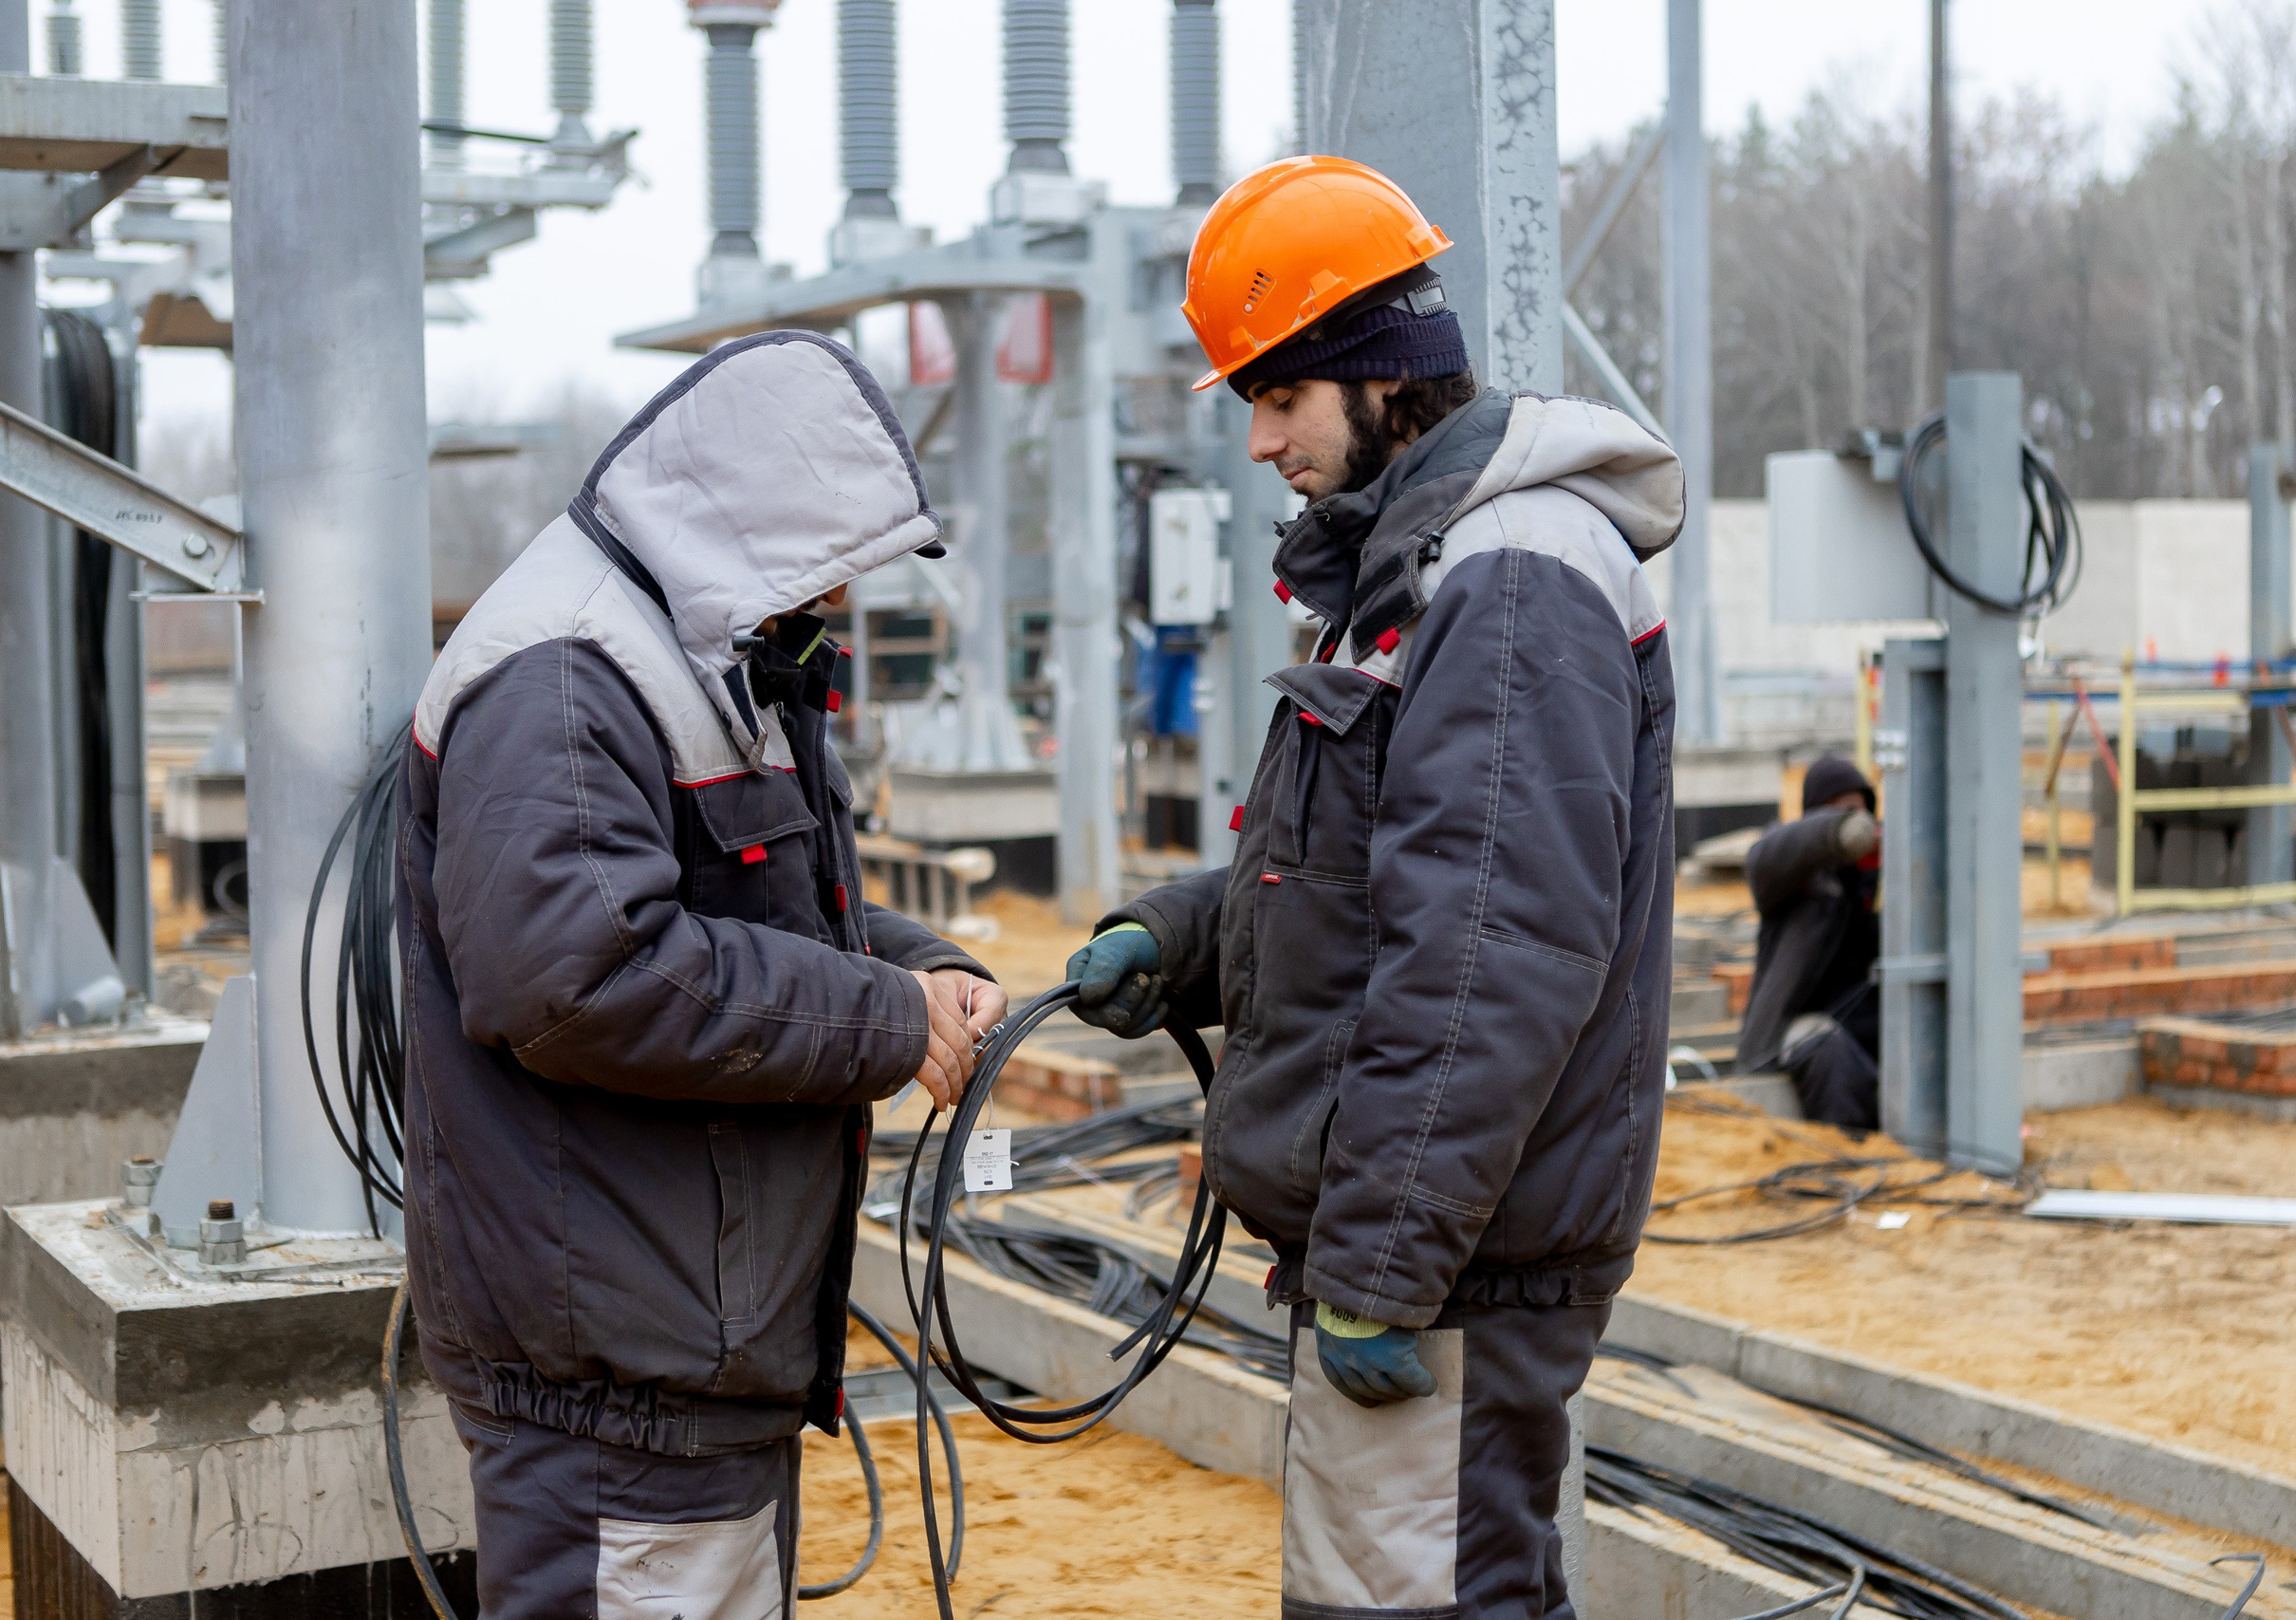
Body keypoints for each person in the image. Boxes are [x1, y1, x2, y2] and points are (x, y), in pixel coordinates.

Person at [1064, 157, 1683, 1620]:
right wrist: (1188, 930)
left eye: (1280, 395)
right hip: (1434, 1244)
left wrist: (1382, 1266)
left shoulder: (1510, 572)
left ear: (1375, 371)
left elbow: (1491, 952)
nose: (1264, 438)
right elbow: (1368, 874)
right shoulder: (1421, 572)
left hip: (1450, 1263)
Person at [397, 331, 1007, 1619]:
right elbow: (578, 975)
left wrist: (924, 969)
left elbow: (756, 904)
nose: (837, 601)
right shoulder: (565, 674)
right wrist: (881, 1019)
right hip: (617, 1375)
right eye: (833, 564)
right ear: (759, 523)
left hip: (691, 1349)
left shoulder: (705, 649)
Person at [1737, 754, 1882, 1130]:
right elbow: (1763, 857)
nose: (1858, 824)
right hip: (1792, 1028)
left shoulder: (1875, 882)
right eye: (1840, 814)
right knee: (1827, 1050)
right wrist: (1837, 834)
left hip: (1860, 1020)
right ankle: (1845, 1157)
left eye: (1859, 813)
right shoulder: (1793, 880)